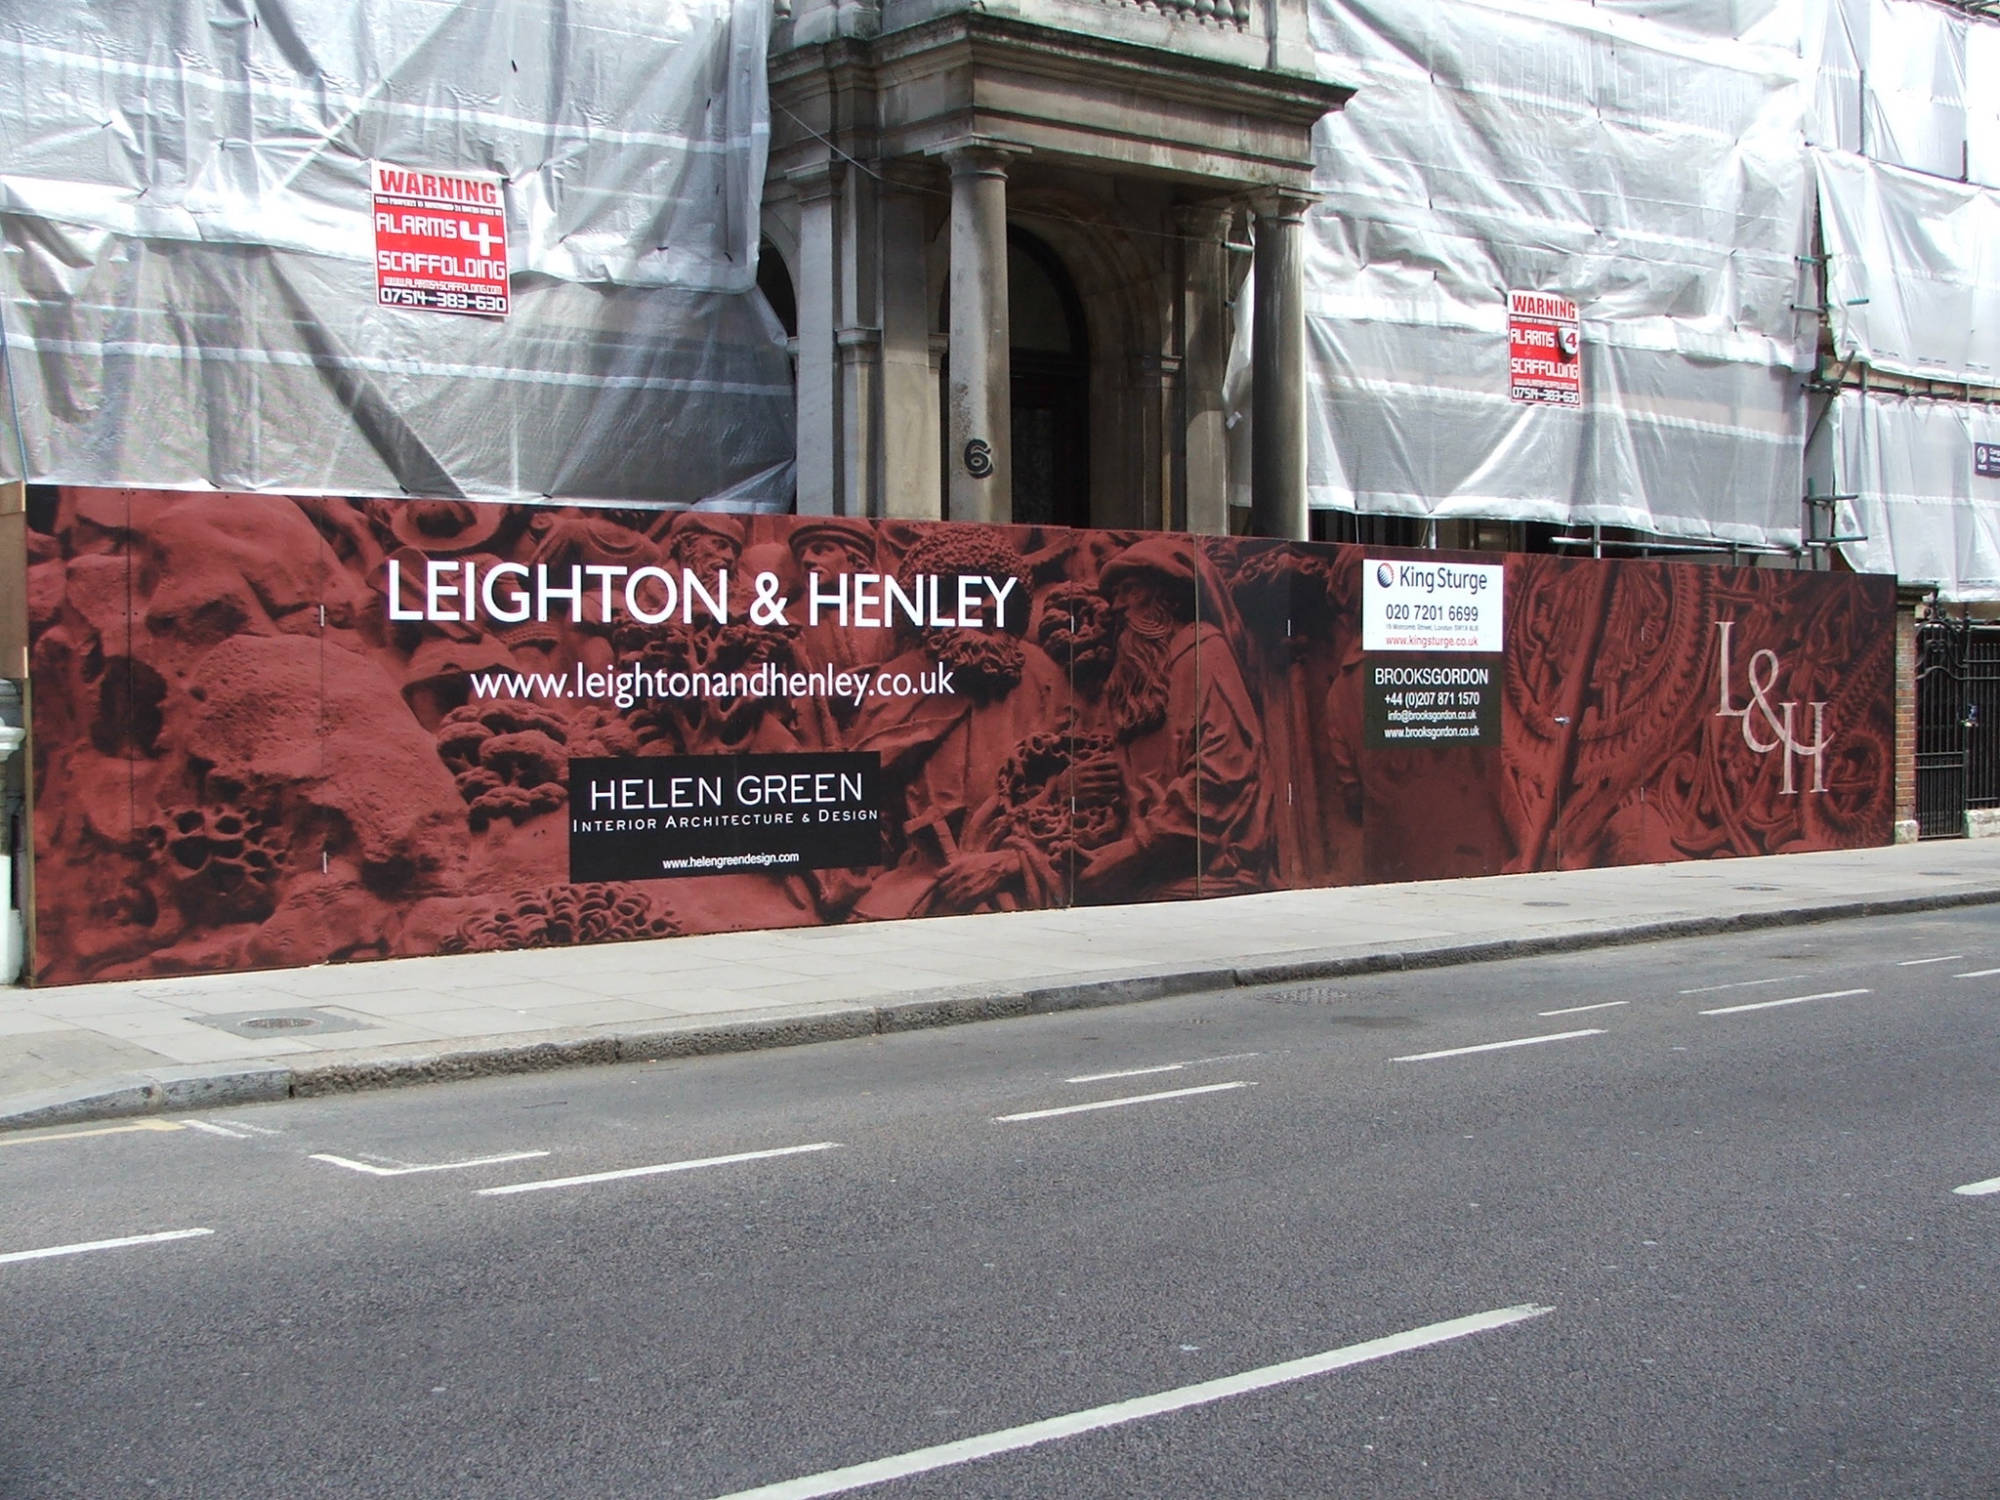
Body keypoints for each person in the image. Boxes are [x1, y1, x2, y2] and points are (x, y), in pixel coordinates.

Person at [1076, 536, 1275, 902]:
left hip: (1202, 871)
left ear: (1167, 596)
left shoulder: (1202, 651)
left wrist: (1137, 848)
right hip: (1146, 865)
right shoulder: (1138, 674)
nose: (1117, 606)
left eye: (1131, 590)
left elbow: (1223, 772)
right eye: (1116, 594)